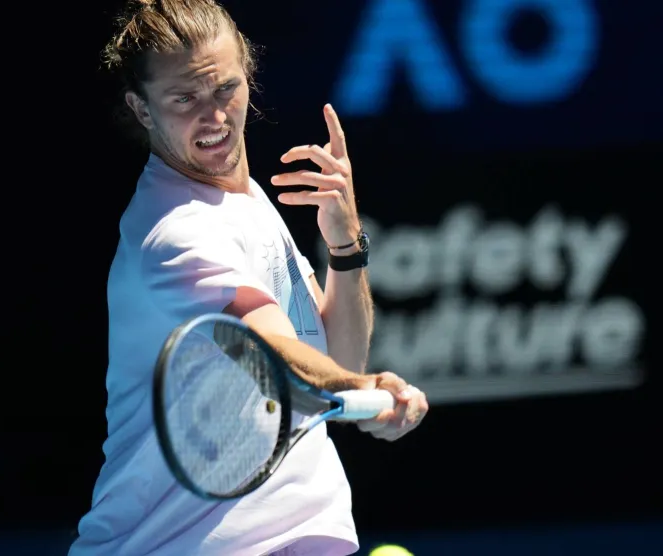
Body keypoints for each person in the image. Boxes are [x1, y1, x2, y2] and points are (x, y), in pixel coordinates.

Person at [69, 1, 429, 554]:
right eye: (184, 99)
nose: (213, 117)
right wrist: (364, 392)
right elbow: (276, 359)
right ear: (142, 111)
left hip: (298, 534)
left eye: (224, 90)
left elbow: (336, 358)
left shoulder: (245, 200)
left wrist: (345, 244)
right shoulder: (178, 233)